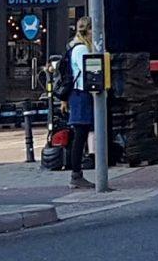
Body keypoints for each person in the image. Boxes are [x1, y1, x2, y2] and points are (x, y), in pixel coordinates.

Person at [67, 17, 95, 189]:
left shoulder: (76, 47)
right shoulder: (82, 49)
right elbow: (88, 72)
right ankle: (76, 175)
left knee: (81, 134)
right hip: (81, 94)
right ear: (88, 31)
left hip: (78, 94)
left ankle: (77, 174)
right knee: (80, 134)